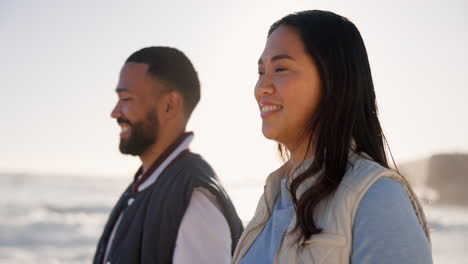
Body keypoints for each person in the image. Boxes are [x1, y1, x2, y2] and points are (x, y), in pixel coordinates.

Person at [233, 10, 432, 264]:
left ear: (333, 81)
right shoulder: (274, 196)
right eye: (261, 72)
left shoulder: (377, 196)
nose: (262, 87)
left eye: (280, 68)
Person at [93, 46, 243, 264]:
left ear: (169, 106)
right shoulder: (143, 186)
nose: (115, 112)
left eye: (126, 99)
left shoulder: (193, 198)